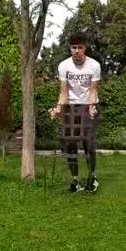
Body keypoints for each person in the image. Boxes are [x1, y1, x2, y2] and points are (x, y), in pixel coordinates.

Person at [49, 32, 101, 193]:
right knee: (70, 145)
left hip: (87, 106)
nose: (76, 50)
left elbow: (93, 90)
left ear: (85, 48)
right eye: (73, 47)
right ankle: (75, 180)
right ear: (70, 48)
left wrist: (91, 107)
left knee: (88, 144)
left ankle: (92, 177)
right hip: (70, 107)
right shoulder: (64, 66)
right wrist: (58, 108)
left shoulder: (94, 65)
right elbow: (64, 92)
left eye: (79, 47)